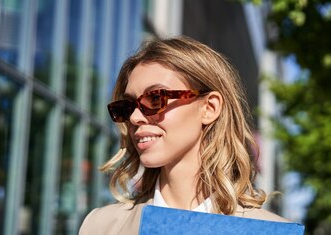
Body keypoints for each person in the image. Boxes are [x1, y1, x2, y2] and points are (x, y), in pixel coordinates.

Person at [79, 36, 289, 234]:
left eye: (155, 99)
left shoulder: (269, 230)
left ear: (209, 107)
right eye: (127, 106)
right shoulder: (100, 227)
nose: (134, 118)